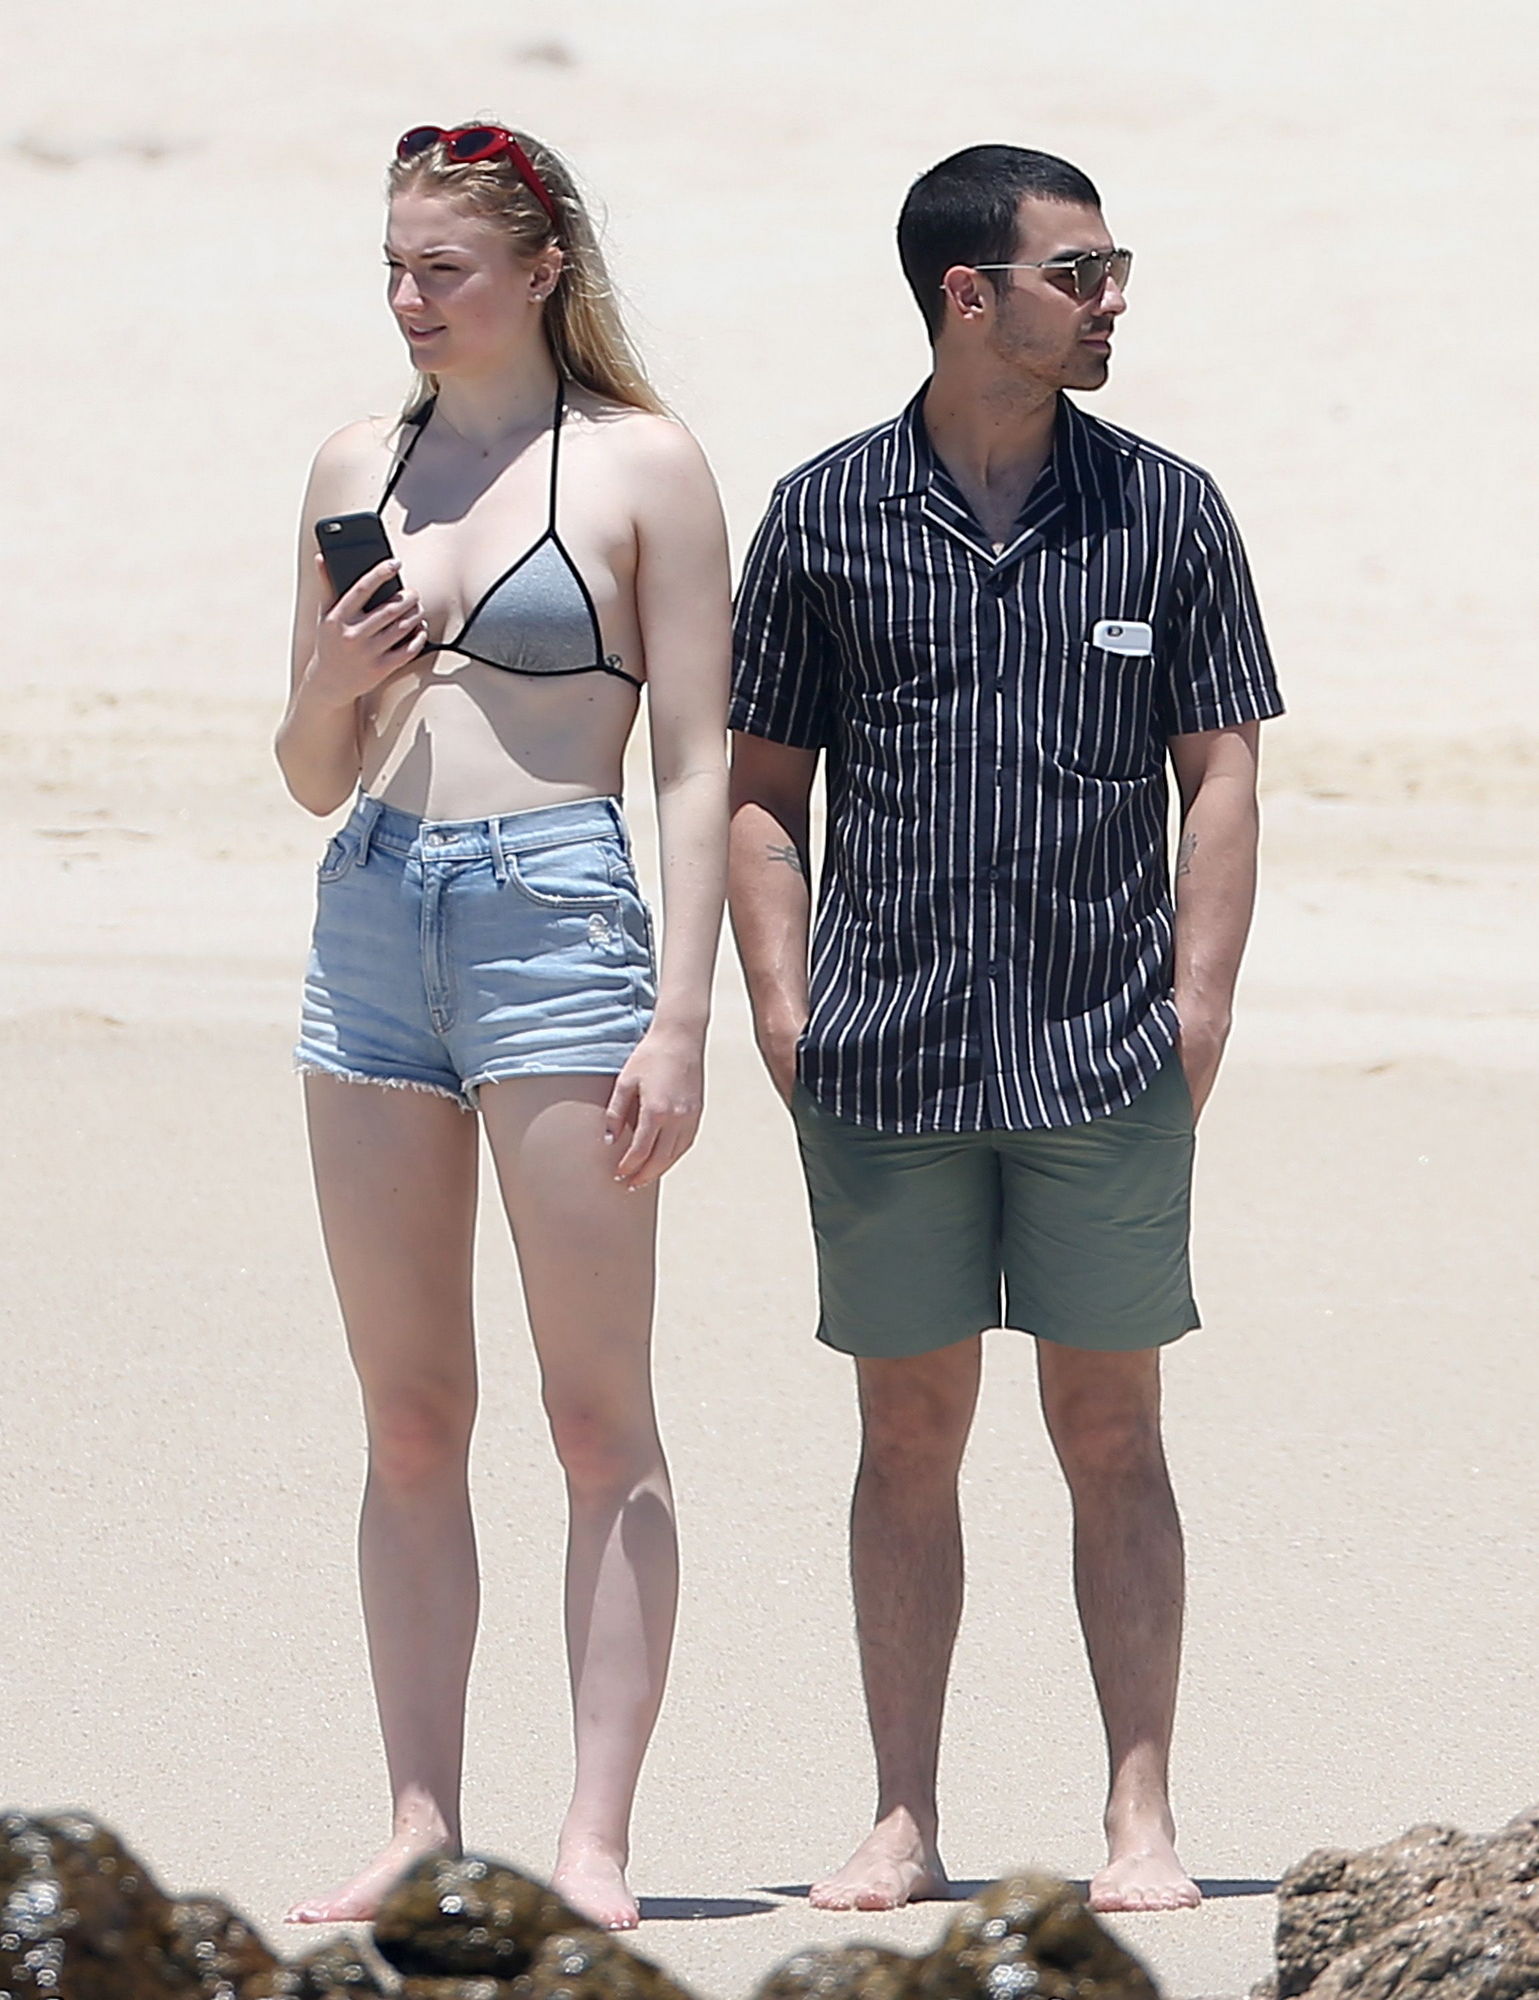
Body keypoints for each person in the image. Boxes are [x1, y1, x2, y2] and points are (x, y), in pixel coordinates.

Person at [728, 144, 1282, 1916]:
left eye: (1115, 268)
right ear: (969, 294)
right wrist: (784, 1010)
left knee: (1112, 1430)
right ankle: (902, 1818)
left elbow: (1221, 771)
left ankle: (1142, 1818)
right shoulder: (821, 513)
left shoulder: (1168, 509)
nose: (1113, 299)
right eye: (1079, 271)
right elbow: (761, 789)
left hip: (1104, 1053)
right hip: (881, 1054)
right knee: (907, 1437)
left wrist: (1197, 1009)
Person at [275, 121, 729, 1931]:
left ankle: (595, 1841)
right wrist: (336, 677)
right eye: (393, 267)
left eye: (441, 268)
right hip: (372, 912)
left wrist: (680, 1014)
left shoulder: (642, 464)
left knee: (595, 1411)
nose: (409, 298)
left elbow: (692, 762)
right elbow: (309, 772)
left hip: (559, 913)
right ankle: (417, 1822)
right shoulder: (355, 461)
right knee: (407, 1414)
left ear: (543, 269)